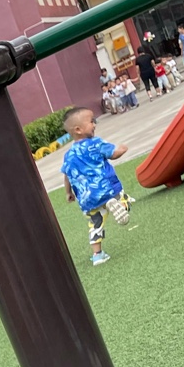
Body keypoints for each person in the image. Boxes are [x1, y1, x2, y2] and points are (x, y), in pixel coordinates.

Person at [60, 107, 130, 267]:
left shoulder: (68, 155)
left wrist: (68, 192)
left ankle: (97, 255)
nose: (94, 125)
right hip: (107, 189)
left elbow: (67, 175)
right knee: (123, 199)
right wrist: (122, 149)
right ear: (78, 129)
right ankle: (120, 206)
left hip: (87, 199)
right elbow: (113, 154)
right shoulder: (95, 144)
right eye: (92, 121)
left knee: (95, 223)